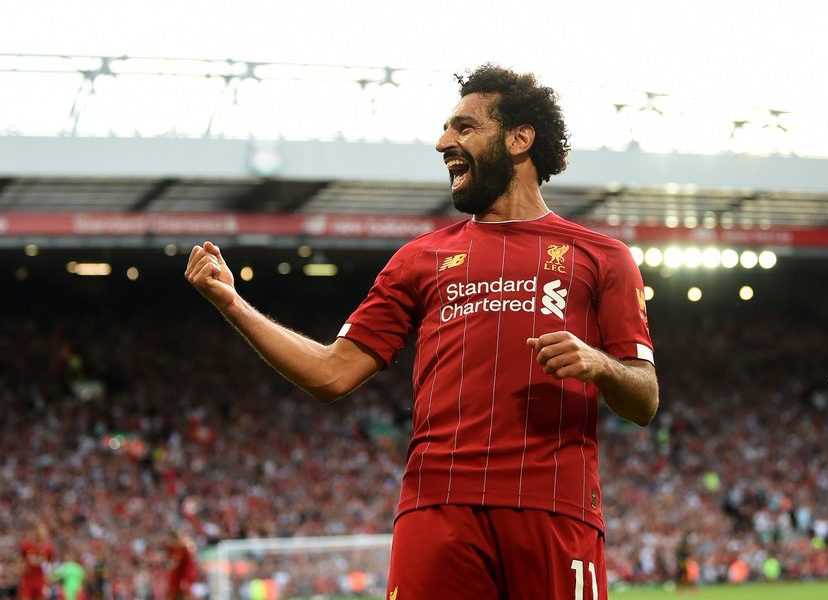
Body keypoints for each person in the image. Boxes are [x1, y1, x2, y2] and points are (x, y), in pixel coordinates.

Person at [185, 64, 658, 600]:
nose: (443, 142)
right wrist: (233, 304)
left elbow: (644, 399)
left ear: (520, 139)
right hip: (437, 510)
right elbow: (330, 374)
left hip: (555, 510)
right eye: (446, 129)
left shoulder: (601, 257)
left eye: (464, 127)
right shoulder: (419, 259)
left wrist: (600, 364)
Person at [18, 525, 55, 600]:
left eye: (44, 535)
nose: (41, 537)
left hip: (40, 578)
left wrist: (50, 575)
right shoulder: (27, 545)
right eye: (39, 534)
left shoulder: (48, 548)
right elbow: (20, 558)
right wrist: (20, 567)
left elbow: (51, 562)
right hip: (28, 578)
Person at [165, 531, 197, 600]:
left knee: (185, 593)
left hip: (185, 576)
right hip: (177, 577)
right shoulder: (172, 549)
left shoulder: (185, 550)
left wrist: (186, 579)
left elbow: (189, 565)